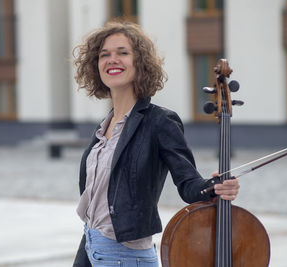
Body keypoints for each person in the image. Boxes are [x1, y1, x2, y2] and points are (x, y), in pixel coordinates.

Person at [72, 21, 240, 267]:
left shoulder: (159, 121)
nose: (112, 59)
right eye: (104, 54)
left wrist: (214, 186)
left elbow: (188, 183)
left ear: (140, 63)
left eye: (123, 53)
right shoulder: (103, 126)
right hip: (89, 246)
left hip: (125, 257)